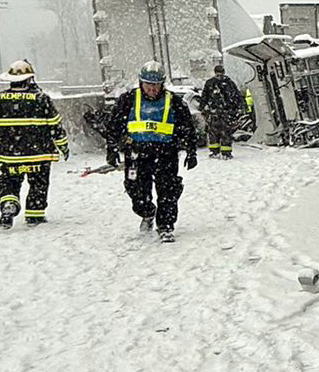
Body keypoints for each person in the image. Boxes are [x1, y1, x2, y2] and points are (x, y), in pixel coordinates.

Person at [104, 61, 198, 241]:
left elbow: (187, 128)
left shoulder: (174, 102)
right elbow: (114, 126)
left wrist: (191, 151)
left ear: (162, 84)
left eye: (156, 85)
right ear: (141, 83)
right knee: (135, 190)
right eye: (148, 85)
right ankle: (147, 213)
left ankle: (165, 226)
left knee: (168, 191)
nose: (152, 89)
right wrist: (112, 149)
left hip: (165, 154)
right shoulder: (128, 100)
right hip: (136, 154)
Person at [0, 59, 69, 229]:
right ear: (30, 79)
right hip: (39, 154)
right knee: (38, 183)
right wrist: (63, 146)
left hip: (10, 155)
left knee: (9, 181)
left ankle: (9, 204)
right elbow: (55, 125)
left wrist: (1, 145)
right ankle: (35, 214)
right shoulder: (42, 99)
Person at [198, 63, 245, 158]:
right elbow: (204, 97)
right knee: (217, 133)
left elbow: (236, 96)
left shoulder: (225, 83)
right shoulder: (225, 83)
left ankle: (223, 152)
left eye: (220, 73)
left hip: (222, 112)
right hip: (221, 112)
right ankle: (218, 152)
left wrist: (203, 107)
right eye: (218, 73)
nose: (219, 75)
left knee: (222, 133)